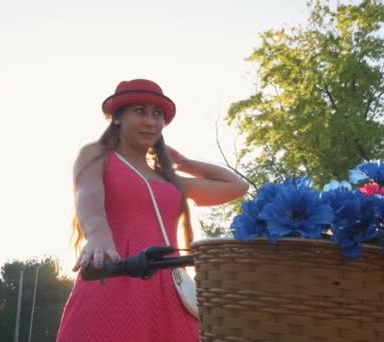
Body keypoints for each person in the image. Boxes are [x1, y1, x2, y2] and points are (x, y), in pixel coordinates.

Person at [56, 79, 249, 342]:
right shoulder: (97, 155)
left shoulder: (167, 179)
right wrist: (98, 234)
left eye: (157, 114)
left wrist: (184, 162)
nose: (150, 121)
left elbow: (236, 186)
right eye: (140, 111)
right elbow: (87, 195)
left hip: (170, 286)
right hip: (116, 272)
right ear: (117, 118)